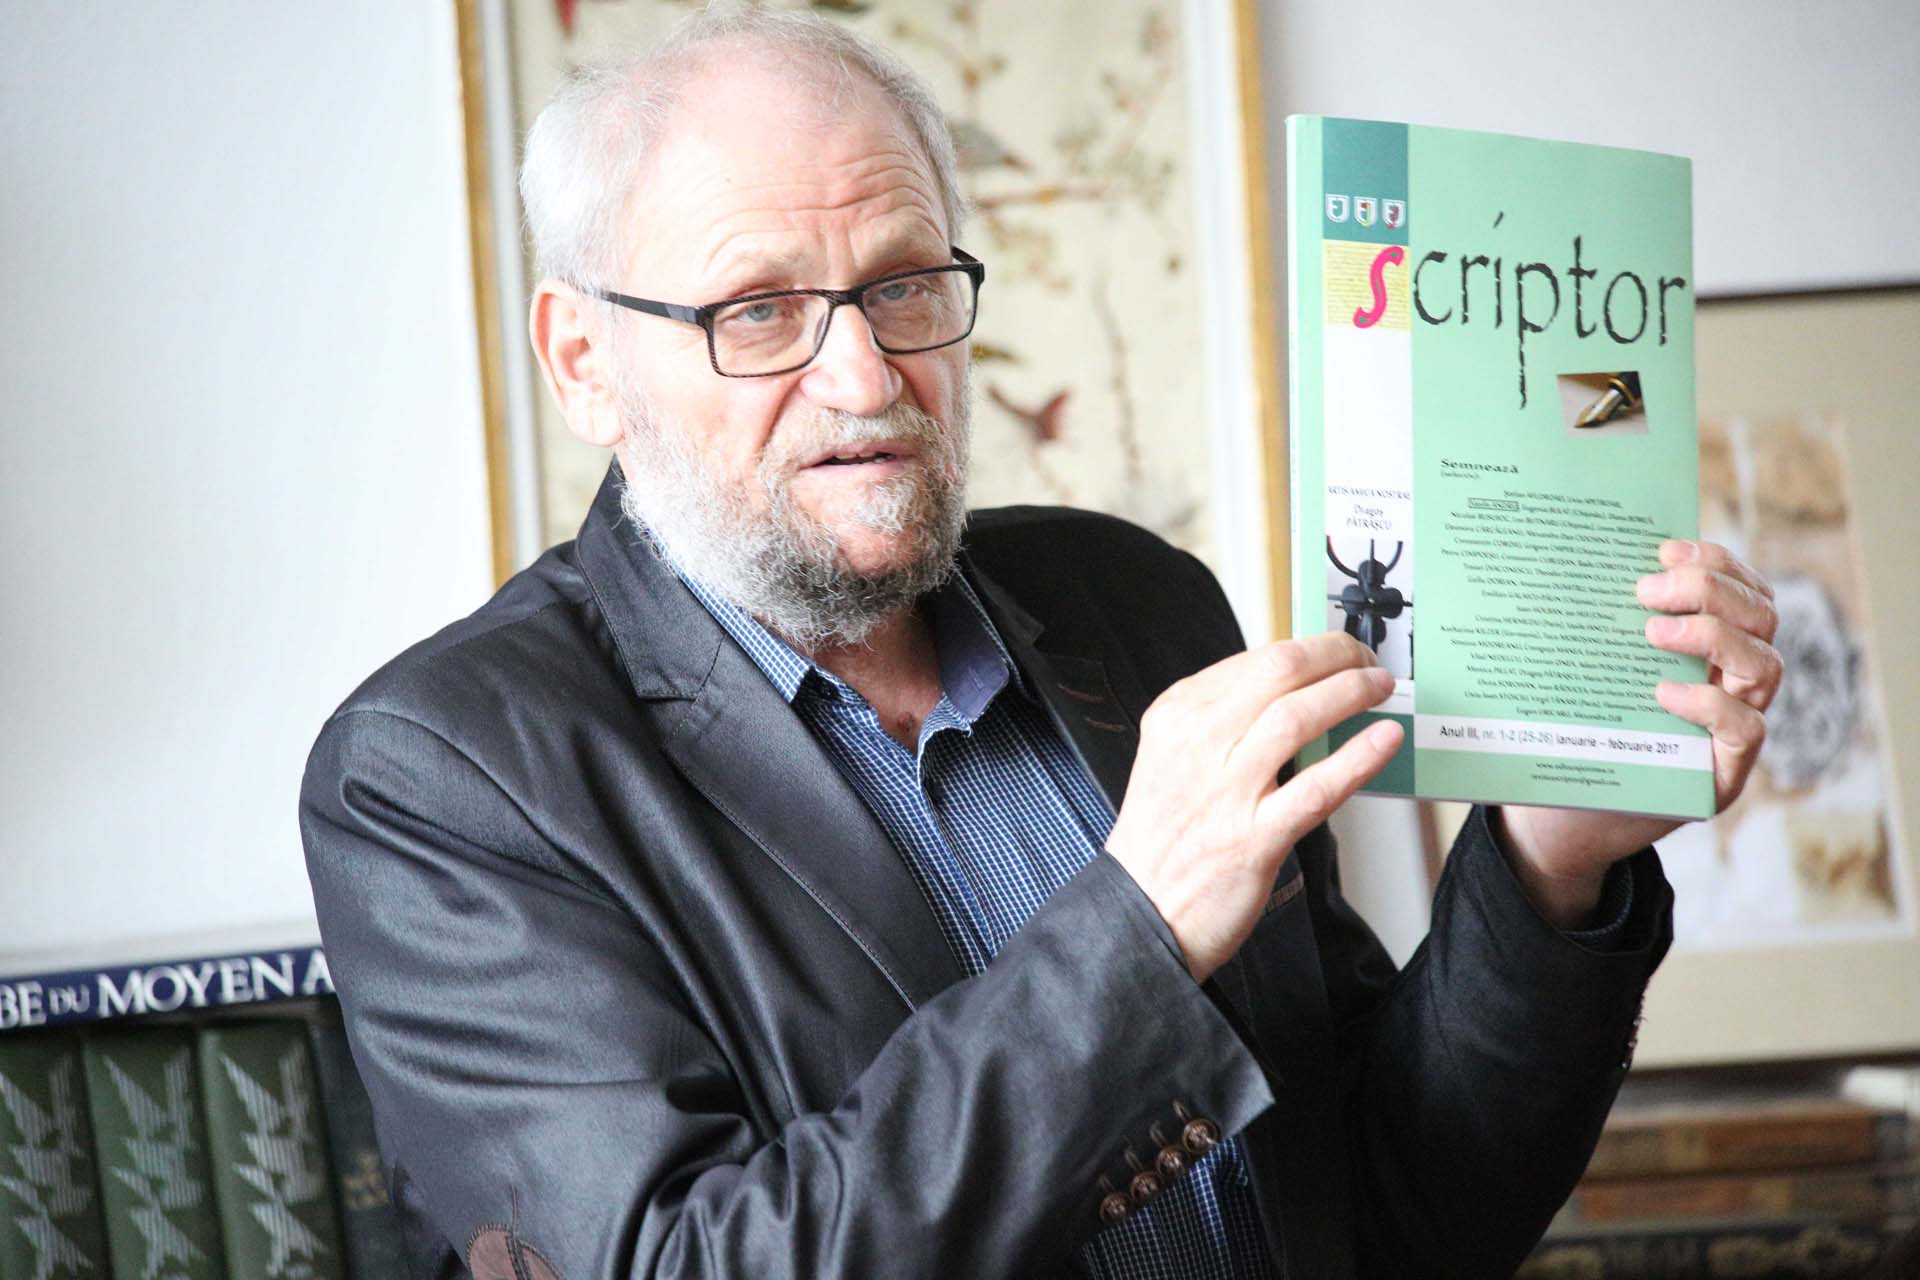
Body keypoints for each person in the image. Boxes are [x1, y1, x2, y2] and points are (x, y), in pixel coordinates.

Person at [299, 10, 1783, 1279]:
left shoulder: (1135, 604)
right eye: (757, 310)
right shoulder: (442, 773)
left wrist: (1547, 862)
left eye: (901, 284)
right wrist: (1140, 934)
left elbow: (1390, 1211)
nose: (864, 375)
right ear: (584, 362)